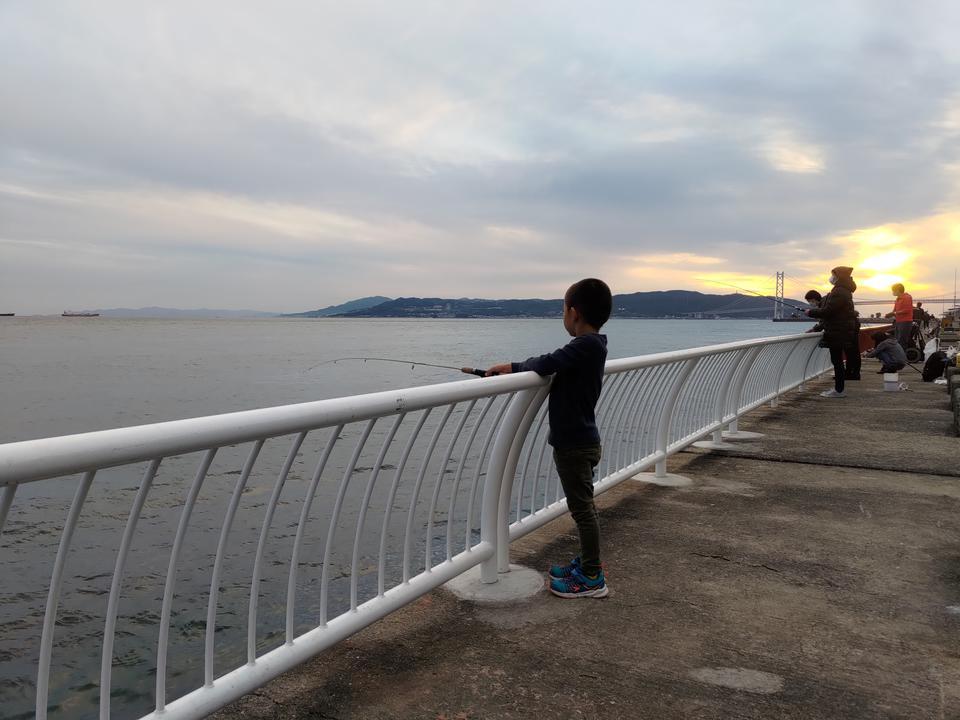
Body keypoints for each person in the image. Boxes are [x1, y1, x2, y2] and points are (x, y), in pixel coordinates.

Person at [486, 278, 611, 599]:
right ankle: (587, 563)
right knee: (583, 506)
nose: (563, 317)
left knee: (583, 509)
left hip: (575, 445)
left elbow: (548, 362)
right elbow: (555, 363)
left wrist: (513, 367)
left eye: (562, 310)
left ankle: (592, 577)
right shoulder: (593, 347)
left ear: (574, 312)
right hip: (581, 441)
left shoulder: (586, 345)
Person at [806, 266, 859, 398]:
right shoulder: (845, 291)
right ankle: (838, 389)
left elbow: (828, 311)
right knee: (838, 361)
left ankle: (839, 390)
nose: (831, 277)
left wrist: (810, 312)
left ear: (839, 276)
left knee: (837, 361)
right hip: (841, 331)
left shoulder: (839, 291)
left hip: (838, 332)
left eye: (833, 275)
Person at [885, 283, 913, 350]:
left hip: (905, 322)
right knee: (898, 340)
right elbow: (895, 310)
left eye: (893, 290)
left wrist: (894, 313)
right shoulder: (898, 299)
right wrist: (889, 314)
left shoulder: (907, 297)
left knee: (902, 340)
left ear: (898, 290)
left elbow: (907, 310)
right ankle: (899, 356)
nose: (892, 292)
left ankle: (902, 358)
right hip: (898, 321)